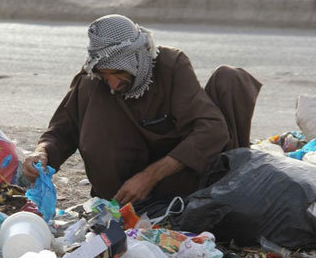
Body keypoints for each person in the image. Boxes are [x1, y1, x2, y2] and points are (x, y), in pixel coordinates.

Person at [23, 14, 261, 205]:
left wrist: (149, 177)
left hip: (187, 175)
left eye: (119, 73)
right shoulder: (94, 81)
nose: (113, 85)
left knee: (231, 78)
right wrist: (42, 154)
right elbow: (62, 131)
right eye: (106, 76)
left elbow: (212, 129)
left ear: (136, 59)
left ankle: (232, 189)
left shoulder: (171, 66)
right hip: (125, 192)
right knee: (91, 90)